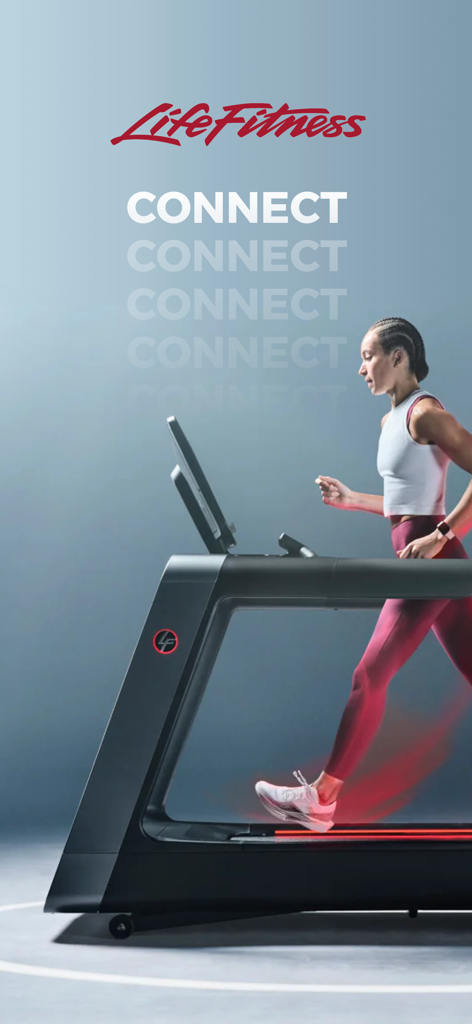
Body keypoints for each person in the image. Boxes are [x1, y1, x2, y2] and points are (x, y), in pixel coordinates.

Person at [255, 317, 472, 832]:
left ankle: (322, 799)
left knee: (369, 675)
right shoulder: (390, 421)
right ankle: (323, 798)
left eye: (369, 355)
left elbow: (429, 515)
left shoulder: (425, 413)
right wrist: (353, 500)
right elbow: (403, 505)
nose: (361, 368)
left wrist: (441, 533)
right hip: (428, 557)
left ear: (399, 357)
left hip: (432, 563)